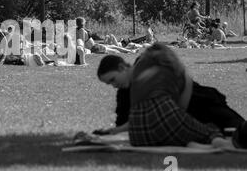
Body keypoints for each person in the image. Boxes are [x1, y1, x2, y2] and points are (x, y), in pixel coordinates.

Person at [96, 44, 247, 149]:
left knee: (235, 129)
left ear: (123, 68)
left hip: (199, 103)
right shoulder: (124, 94)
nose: (114, 85)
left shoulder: (148, 66)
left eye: (113, 80)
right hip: (178, 116)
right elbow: (128, 124)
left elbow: (182, 79)